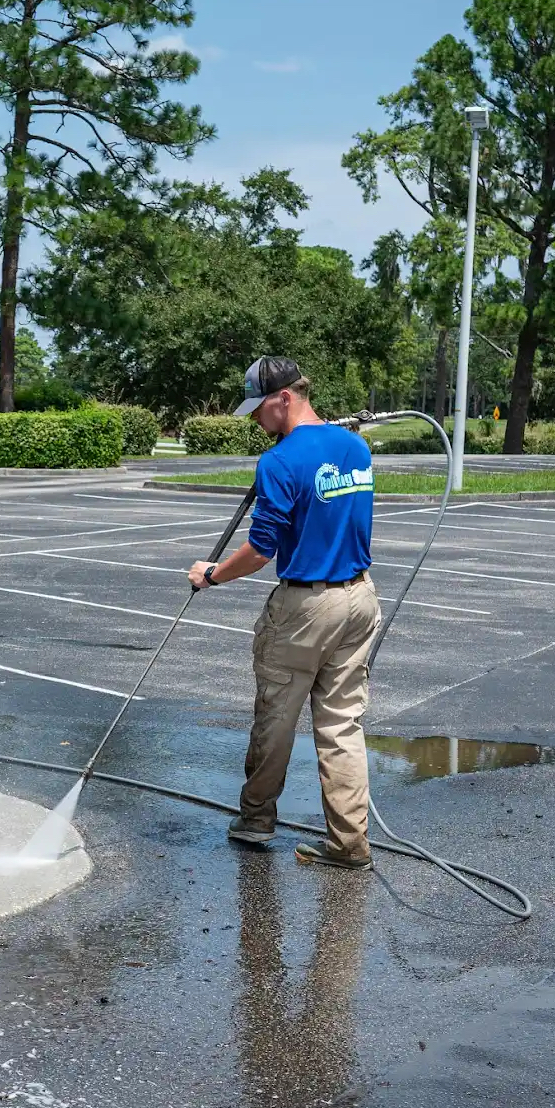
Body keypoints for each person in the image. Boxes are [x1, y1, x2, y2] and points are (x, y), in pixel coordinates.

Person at [187, 356, 380, 871]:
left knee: (276, 716)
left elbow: (260, 551)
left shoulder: (278, 463)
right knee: (341, 726)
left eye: (258, 409)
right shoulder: (354, 447)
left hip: (305, 605)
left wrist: (211, 574)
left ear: (284, 399)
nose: (255, 420)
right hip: (359, 598)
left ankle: (255, 821)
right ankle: (349, 844)